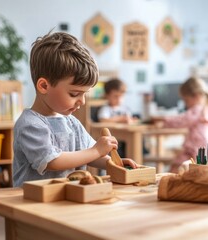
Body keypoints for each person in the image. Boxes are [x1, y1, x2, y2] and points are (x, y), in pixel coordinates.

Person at [12, 32, 137, 187]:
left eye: (85, 94)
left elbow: (89, 154)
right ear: (44, 86)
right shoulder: (30, 124)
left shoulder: (71, 122)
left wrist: (111, 163)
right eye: (74, 94)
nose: (82, 101)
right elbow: (52, 161)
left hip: (68, 197)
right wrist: (97, 151)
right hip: (33, 202)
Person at [156, 77, 208, 173]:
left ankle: (172, 185)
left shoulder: (197, 110)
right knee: (180, 166)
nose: (186, 105)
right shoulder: (207, 109)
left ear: (196, 95)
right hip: (207, 151)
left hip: (197, 151)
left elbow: (182, 121)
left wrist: (163, 120)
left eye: (186, 100)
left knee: (176, 167)